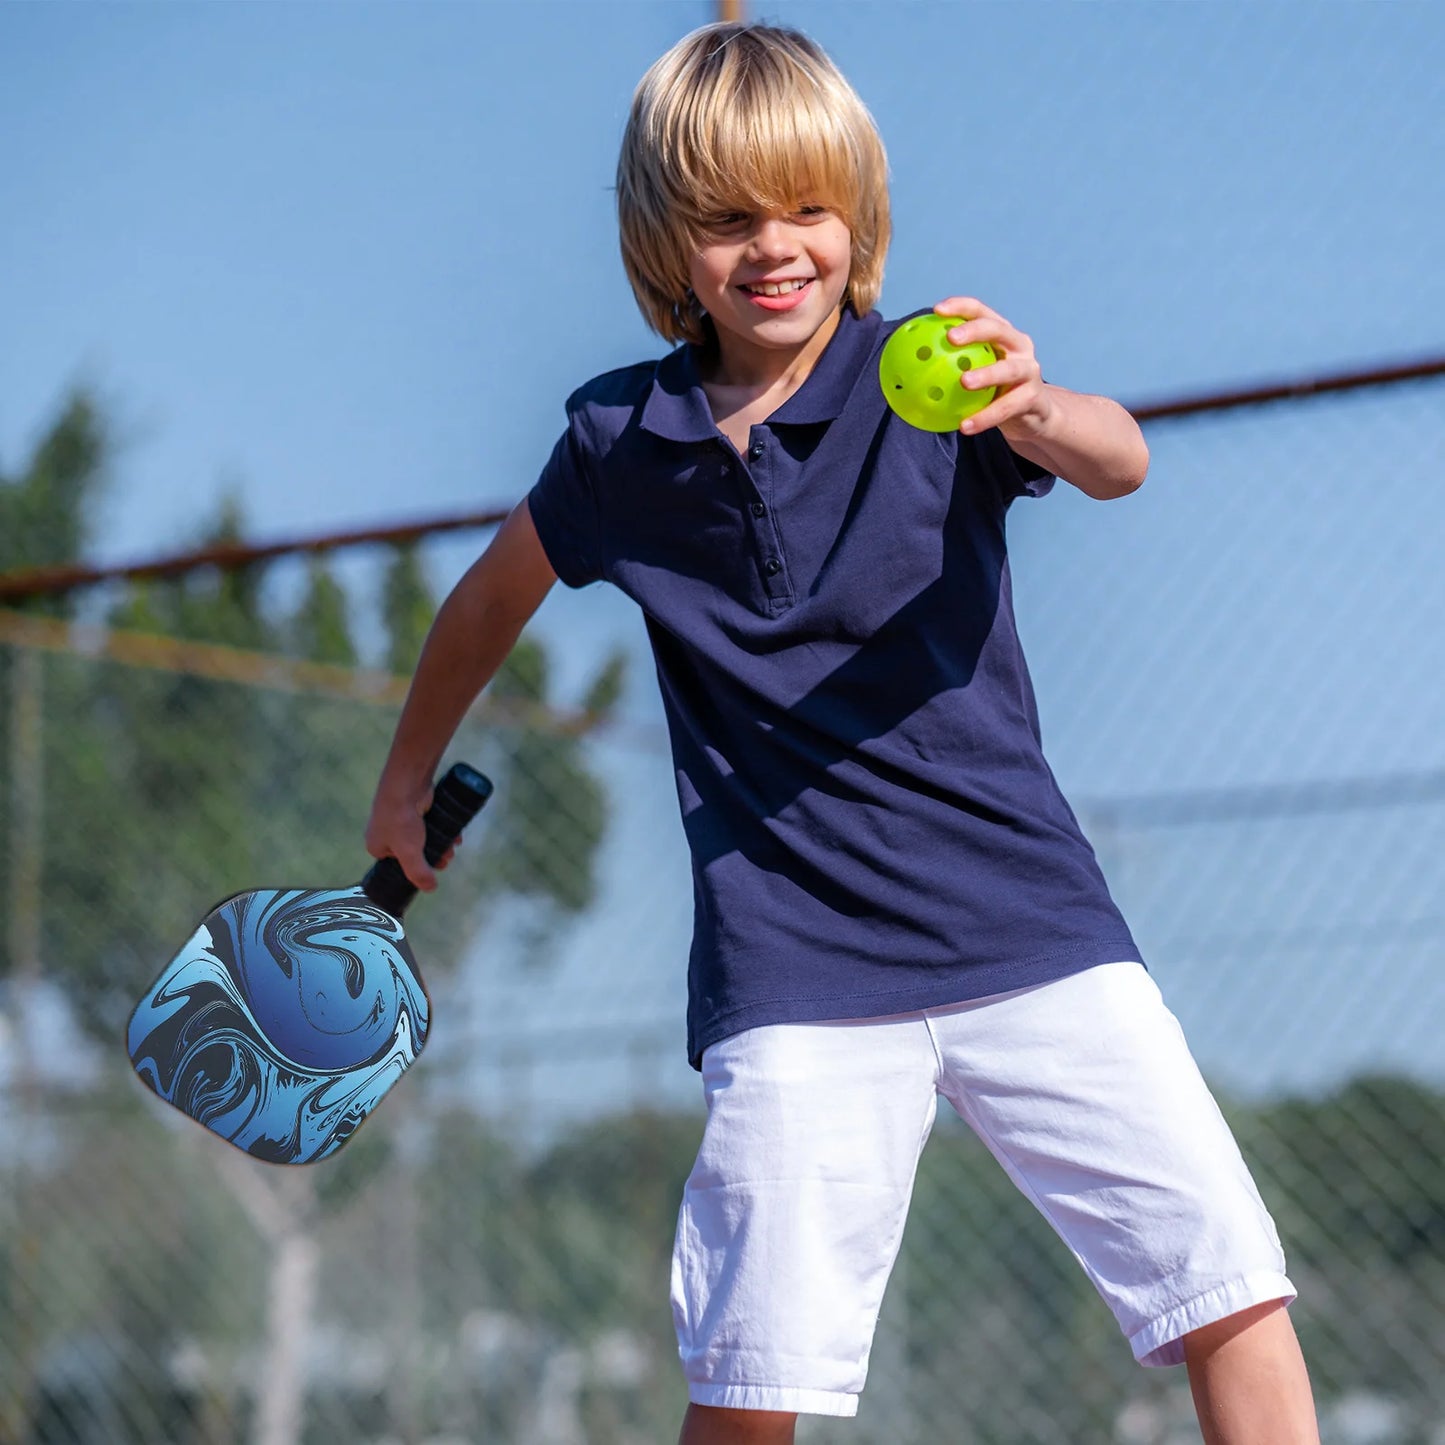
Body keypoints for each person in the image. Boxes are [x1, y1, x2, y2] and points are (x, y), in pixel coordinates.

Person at [365, 21, 1320, 1445]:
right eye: (727, 217)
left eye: (807, 207)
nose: (774, 246)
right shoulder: (618, 447)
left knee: (1226, 1292)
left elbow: (1116, 458)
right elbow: (485, 601)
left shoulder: (930, 377)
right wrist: (400, 776)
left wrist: (1037, 402)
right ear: (662, 238)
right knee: (753, 1381)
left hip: (1032, 932)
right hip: (793, 976)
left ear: (855, 217)